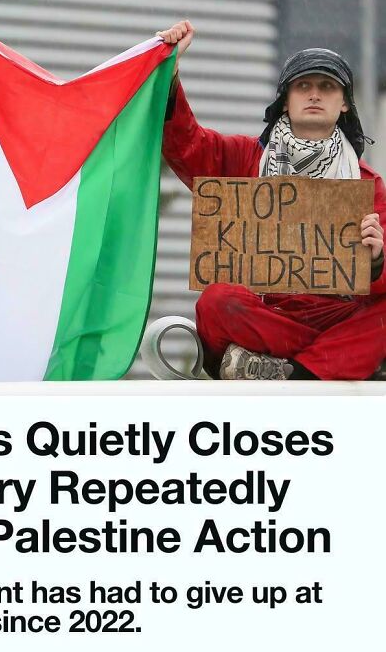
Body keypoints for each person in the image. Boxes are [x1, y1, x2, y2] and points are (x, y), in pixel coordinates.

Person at [157, 20, 386, 381]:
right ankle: (332, 365)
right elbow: (188, 147)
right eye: (303, 86)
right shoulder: (245, 158)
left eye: (327, 87)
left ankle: (288, 373)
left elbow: (381, 284)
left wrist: (374, 261)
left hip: (333, 321)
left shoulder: (367, 183)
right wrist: (168, 73)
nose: (314, 95)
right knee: (217, 301)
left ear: (344, 103)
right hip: (272, 316)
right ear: (285, 100)